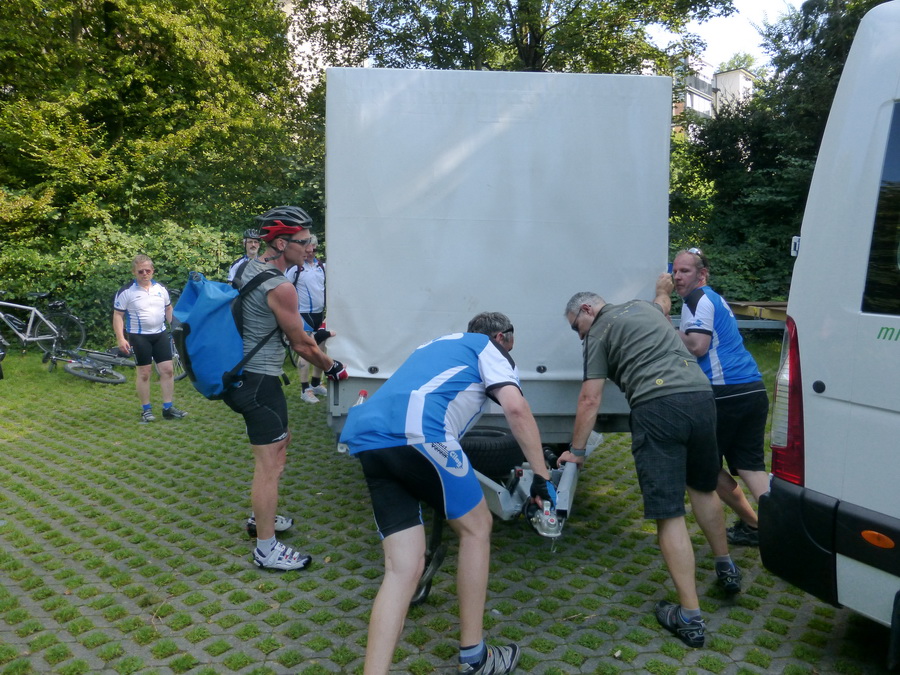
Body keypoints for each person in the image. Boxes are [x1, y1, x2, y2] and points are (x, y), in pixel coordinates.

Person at [339, 312, 556, 675]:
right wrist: (541, 476)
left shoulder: (436, 344)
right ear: (501, 337)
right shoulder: (489, 349)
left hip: (369, 436)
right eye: (511, 341)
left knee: (402, 569)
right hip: (422, 432)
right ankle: (474, 658)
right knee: (477, 527)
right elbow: (516, 408)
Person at [561, 277, 741, 649]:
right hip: (700, 397)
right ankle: (725, 564)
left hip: (657, 407)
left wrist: (576, 451)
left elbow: (590, 399)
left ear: (587, 309)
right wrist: (663, 288)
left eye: (577, 327)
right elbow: (664, 303)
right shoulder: (644, 308)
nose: (580, 336)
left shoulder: (598, 333)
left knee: (668, 512)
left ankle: (689, 617)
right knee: (703, 486)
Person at [226, 205, 349, 571]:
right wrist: (332, 367)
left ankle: (260, 516)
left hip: (249, 377)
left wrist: (314, 336)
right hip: (258, 382)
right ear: (281, 244)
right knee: (268, 465)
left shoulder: (250, 268)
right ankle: (266, 549)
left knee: (281, 445)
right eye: (304, 241)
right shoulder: (280, 286)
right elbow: (301, 346)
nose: (310, 247)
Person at [672, 248, 770, 547]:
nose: (677, 277)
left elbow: (697, 345)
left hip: (724, 391)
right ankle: (785, 528)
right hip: (752, 388)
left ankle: (755, 525)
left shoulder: (698, 299)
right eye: (674, 271)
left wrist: (663, 325)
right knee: (750, 466)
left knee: (703, 466)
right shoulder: (712, 298)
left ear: (702, 274)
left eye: (685, 271)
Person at [113, 255, 188, 423]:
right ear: (134, 272)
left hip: (160, 334)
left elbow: (168, 309)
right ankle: (146, 410)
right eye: (140, 271)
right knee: (144, 373)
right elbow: (118, 315)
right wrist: (121, 338)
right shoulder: (126, 291)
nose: (144, 274)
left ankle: (168, 408)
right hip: (139, 336)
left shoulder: (160, 289)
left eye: (147, 270)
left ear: (153, 270)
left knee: (167, 370)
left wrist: (175, 330)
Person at [287, 234, 328, 403]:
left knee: (321, 350)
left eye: (314, 249)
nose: (311, 252)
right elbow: (284, 288)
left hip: (320, 313)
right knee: (306, 351)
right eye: (308, 249)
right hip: (303, 314)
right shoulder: (295, 268)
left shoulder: (322, 266)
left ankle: (316, 383)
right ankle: (305, 389)